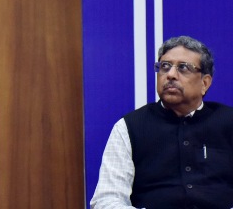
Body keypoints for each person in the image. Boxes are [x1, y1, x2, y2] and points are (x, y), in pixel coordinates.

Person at [91, 35, 233, 209]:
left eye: (183, 68)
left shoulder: (228, 122)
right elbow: (106, 200)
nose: (171, 75)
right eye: (164, 67)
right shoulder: (129, 127)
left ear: (205, 83)